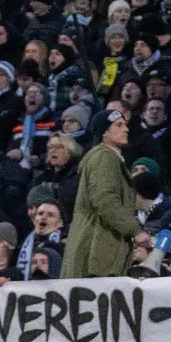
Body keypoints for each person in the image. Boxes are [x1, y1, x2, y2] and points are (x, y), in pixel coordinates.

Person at [62, 110, 140, 278]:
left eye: (125, 125)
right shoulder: (105, 156)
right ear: (104, 132)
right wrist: (135, 230)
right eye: (118, 125)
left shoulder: (106, 158)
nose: (125, 129)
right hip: (96, 252)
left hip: (94, 249)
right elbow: (105, 200)